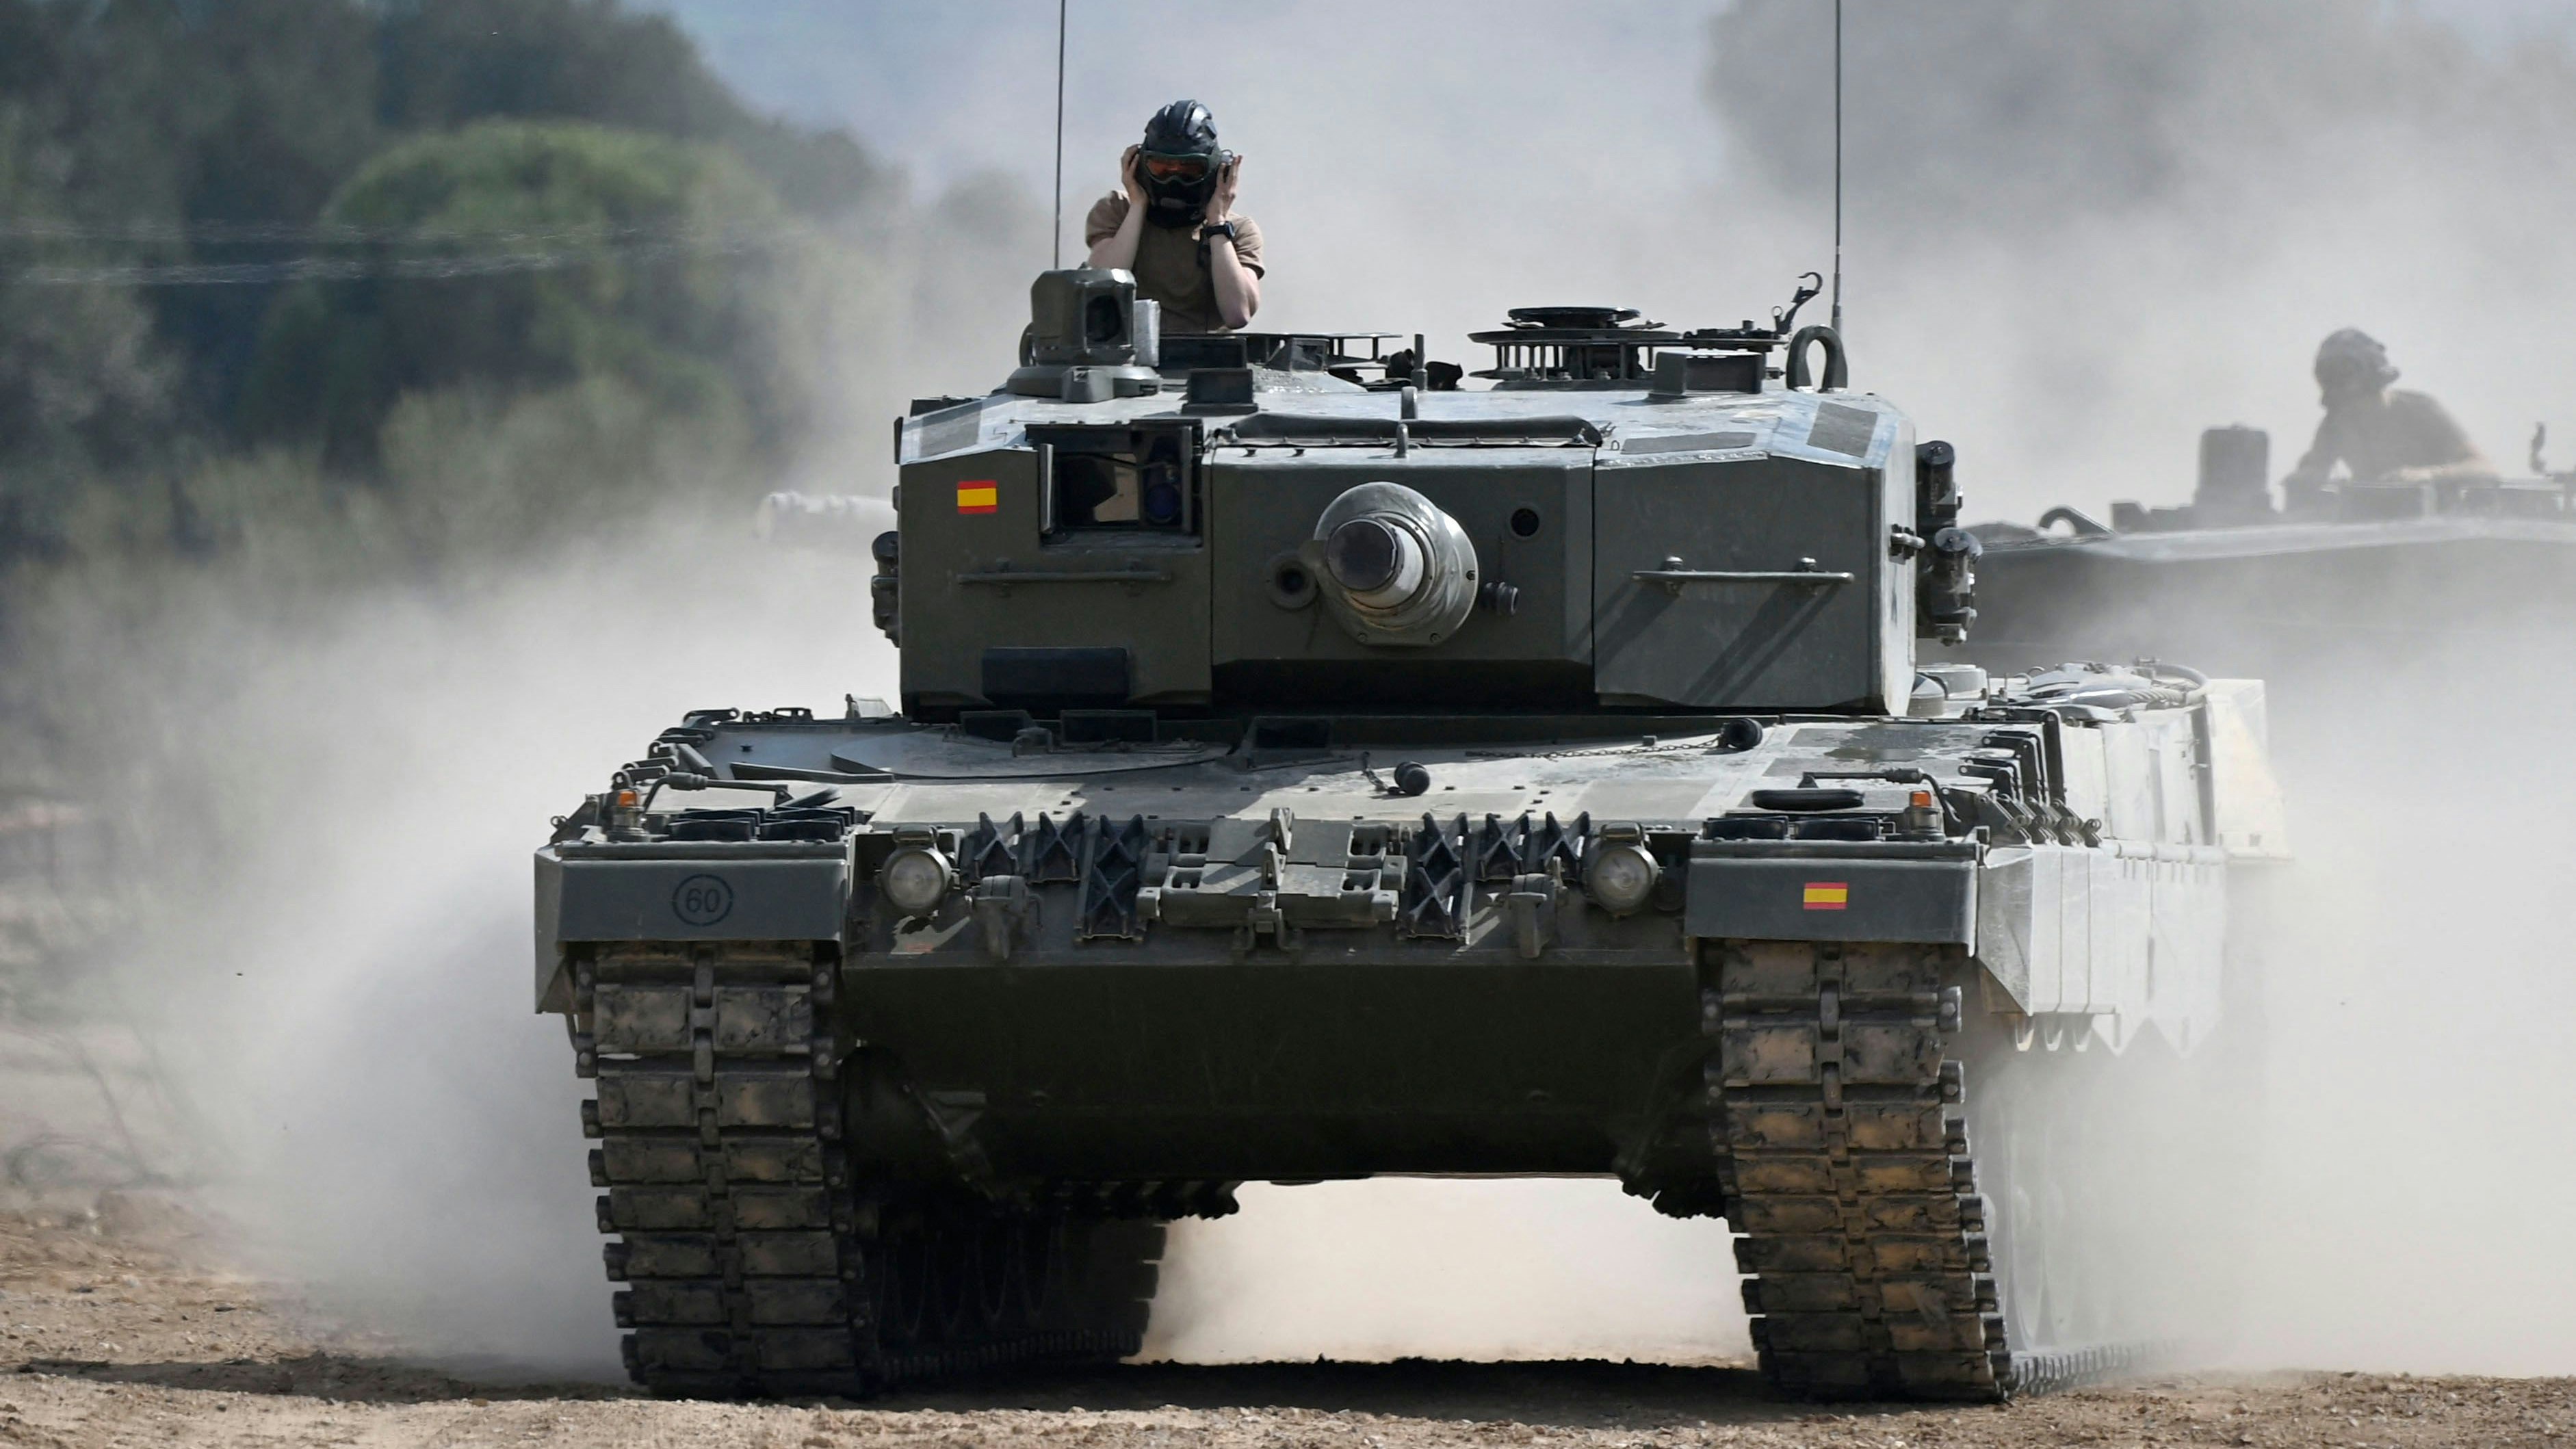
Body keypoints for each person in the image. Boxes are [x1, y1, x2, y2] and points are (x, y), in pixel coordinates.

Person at [1085, 100, 1262, 335]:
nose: (1174, 180)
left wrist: (1217, 223)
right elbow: (1103, 288)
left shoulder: (1238, 230)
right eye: (1162, 168)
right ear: (1138, 166)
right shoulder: (1118, 210)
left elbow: (1237, 314)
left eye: (1190, 170)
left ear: (1219, 171)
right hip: (1125, 359)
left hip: (1208, 362)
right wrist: (1138, 205)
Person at [2281, 328, 2493, 501]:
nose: (2351, 411)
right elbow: (2314, 470)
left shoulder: (2421, 411)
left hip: (2432, 526)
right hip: (2365, 525)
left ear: (2376, 384)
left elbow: (2484, 468)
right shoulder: (2335, 424)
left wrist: (2429, 475)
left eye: (2356, 398)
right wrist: (2305, 479)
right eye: (2342, 402)